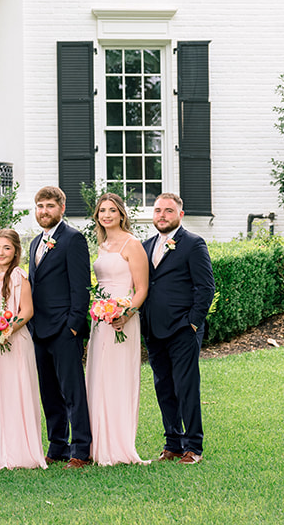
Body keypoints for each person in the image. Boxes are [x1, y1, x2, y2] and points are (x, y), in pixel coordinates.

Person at [142, 191, 216, 465]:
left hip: (183, 330)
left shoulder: (193, 244)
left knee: (186, 387)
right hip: (153, 329)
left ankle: (193, 447)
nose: (162, 215)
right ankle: (172, 443)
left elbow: (206, 287)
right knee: (163, 387)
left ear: (180, 215)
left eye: (168, 211)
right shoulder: (145, 245)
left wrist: (193, 323)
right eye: (158, 210)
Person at [26, 183, 92, 467]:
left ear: (61, 209)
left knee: (72, 391)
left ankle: (80, 450)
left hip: (65, 329)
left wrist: (75, 325)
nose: (44, 211)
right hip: (39, 330)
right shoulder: (34, 243)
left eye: (50, 206)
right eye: (40, 206)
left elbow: (81, 286)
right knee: (49, 392)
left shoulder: (73, 240)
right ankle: (57, 446)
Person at [85, 191, 149, 466]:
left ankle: (119, 445)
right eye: (102, 211)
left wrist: (126, 313)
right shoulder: (101, 245)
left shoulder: (132, 244)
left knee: (117, 379)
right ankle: (97, 443)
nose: (106, 215)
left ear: (121, 214)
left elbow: (142, 289)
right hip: (100, 321)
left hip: (123, 321)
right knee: (97, 377)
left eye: (111, 210)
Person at [0, 229, 46, 469]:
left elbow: (27, 311)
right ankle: (3, 450)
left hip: (16, 342)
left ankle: (23, 451)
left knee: (18, 392)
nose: (1, 252)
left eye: (7, 248)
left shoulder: (19, 276)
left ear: (16, 251)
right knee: (0, 393)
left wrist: (8, 330)